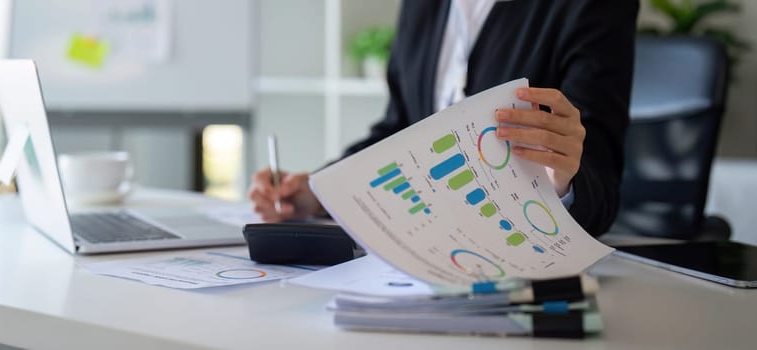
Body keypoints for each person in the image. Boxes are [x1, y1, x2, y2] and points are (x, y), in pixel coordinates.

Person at [249, 0, 638, 236]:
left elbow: (599, 181)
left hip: (520, 258)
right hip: (423, 249)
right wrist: (320, 192)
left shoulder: (591, 6)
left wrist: (561, 182)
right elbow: (399, 131)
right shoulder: (425, 6)